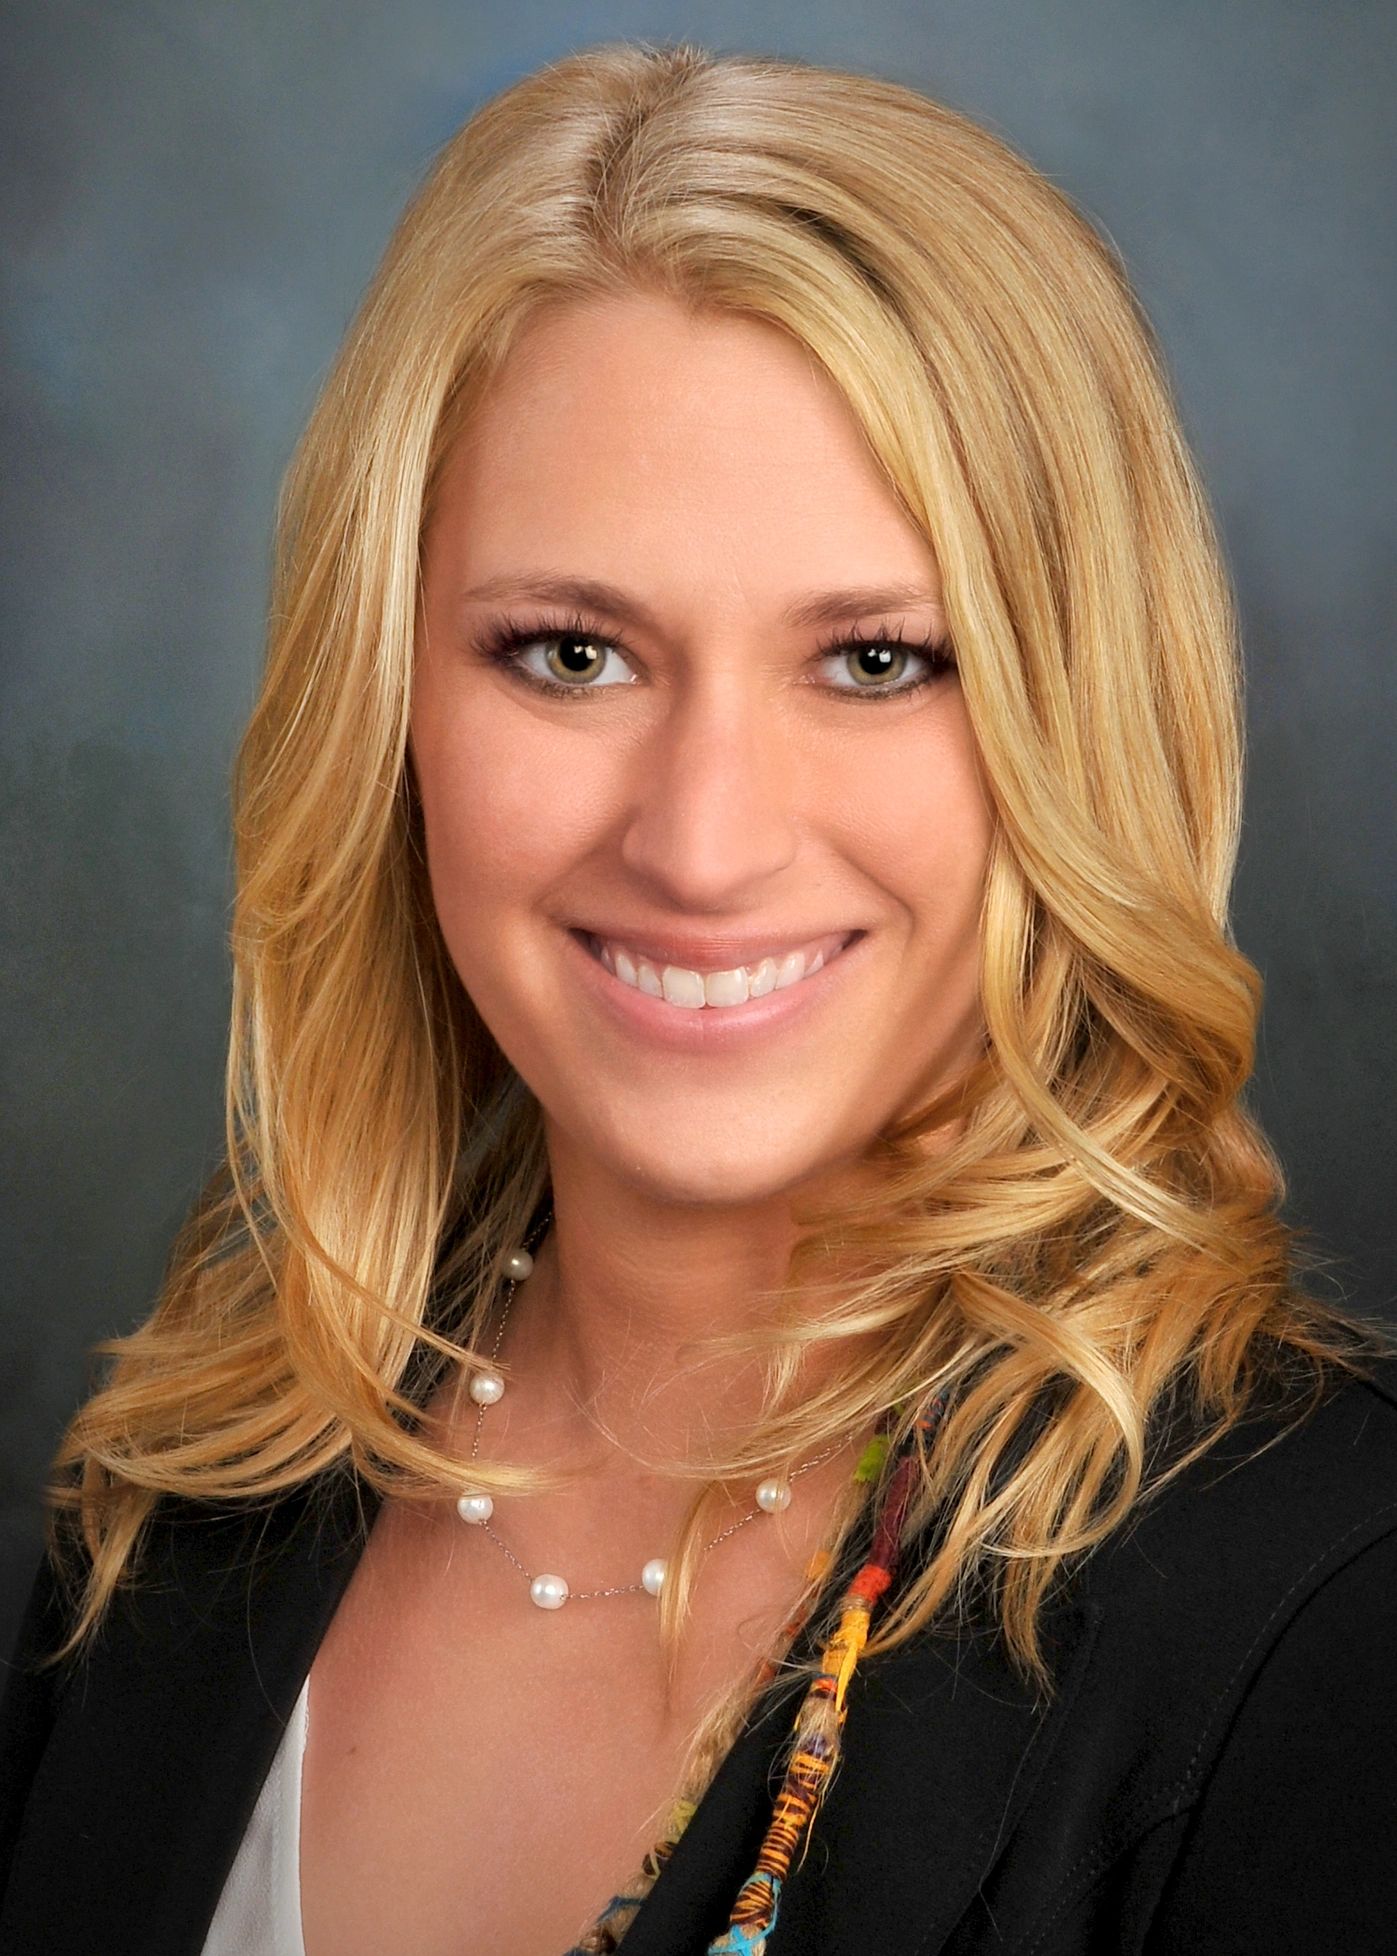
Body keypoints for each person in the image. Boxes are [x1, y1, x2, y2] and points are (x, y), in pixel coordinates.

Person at [2, 37, 1395, 1956]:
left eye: (879, 660)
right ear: (385, 703)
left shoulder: (1327, 1614)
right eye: (570, 653)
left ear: (1084, 719)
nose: (705, 837)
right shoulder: (174, 1515)